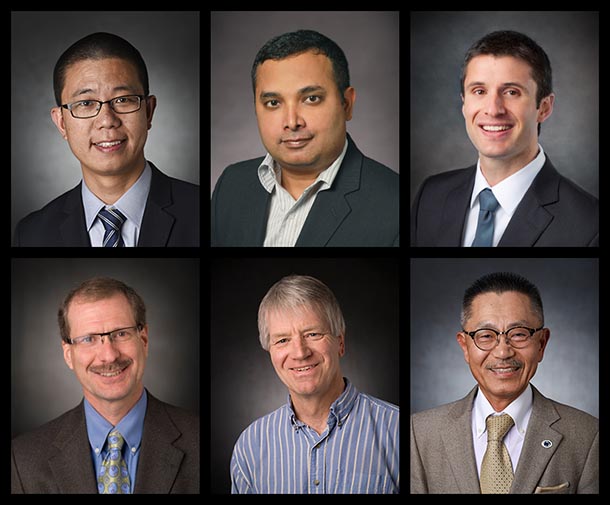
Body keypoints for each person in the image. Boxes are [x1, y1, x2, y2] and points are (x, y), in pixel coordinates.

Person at [410, 272, 598, 494]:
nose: (502, 351)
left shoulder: (588, 436)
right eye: (486, 335)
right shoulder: (418, 433)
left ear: (542, 343)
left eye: (519, 334)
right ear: (465, 346)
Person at [11, 277, 199, 493]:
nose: (109, 356)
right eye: (89, 339)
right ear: (68, 355)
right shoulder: (22, 460)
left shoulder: (198, 440)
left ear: (144, 340)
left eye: (121, 334)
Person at [211, 30, 399, 247]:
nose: (292, 122)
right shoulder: (232, 184)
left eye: (311, 99)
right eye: (273, 102)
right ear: (255, 108)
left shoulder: (394, 202)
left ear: (346, 104)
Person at [410, 30, 598, 247]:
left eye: (511, 92)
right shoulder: (431, 195)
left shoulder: (590, 226)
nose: (493, 109)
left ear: (544, 108)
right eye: (479, 91)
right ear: (464, 103)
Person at [13, 32, 199, 247]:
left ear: (148, 111)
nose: (107, 120)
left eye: (122, 100)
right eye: (85, 103)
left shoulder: (204, 211)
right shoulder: (31, 234)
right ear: (62, 123)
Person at [230, 275, 399, 493]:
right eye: (282, 340)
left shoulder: (397, 430)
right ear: (269, 350)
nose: (300, 353)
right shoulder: (250, 446)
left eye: (312, 334)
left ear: (340, 342)